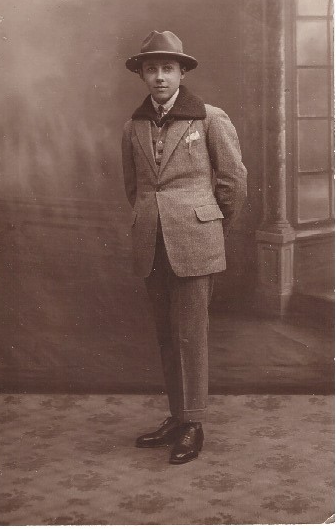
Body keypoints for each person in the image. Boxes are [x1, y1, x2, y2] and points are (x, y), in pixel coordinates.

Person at [122, 30, 247, 464]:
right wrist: (151, 222)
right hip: (150, 242)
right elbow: (133, 186)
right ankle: (176, 416)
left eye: (168, 68)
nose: (159, 77)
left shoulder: (211, 119)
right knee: (166, 336)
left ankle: (193, 422)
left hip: (196, 241)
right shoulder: (134, 124)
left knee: (192, 335)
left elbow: (233, 182)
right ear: (142, 74)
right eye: (151, 68)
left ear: (181, 73)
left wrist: (212, 226)